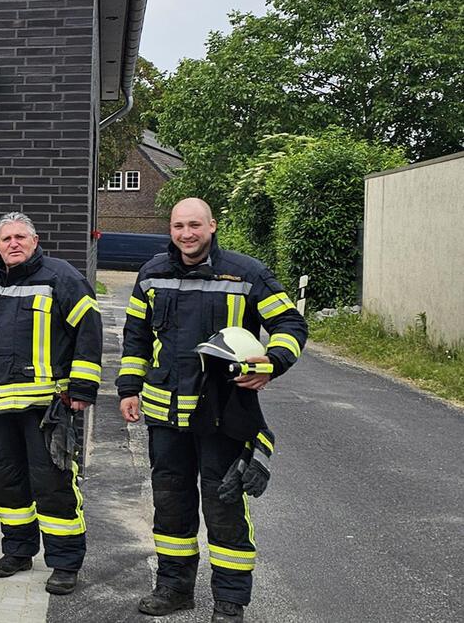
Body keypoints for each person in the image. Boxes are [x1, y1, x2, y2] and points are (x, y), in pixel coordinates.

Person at [118, 198, 308, 623]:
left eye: (194, 226)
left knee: (224, 507)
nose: (186, 234)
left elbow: (290, 325)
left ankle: (230, 600)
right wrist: (129, 387)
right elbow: (135, 338)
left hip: (223, 415)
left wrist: (272, 362)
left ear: (212, 226)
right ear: (170, 229)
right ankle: (173, 588)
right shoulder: (151, 274)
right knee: (170, 503)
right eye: (178, 226)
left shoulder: (247, 273)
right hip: (165, 415)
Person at [0, 212, 102, 593]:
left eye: (21, 237)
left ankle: (65, 562)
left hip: (47, 409)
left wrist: (83, 390)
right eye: (6, 238)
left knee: (53, 483)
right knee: (5, 484)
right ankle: (18, 551)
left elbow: (88, 332)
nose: (13, 243)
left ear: (35, 241)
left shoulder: (62, 278)